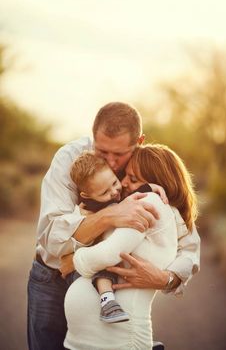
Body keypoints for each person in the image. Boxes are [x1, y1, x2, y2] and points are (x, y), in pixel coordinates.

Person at [27, 102, 200, 350]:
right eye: (102, 151)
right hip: (51, 278)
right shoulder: (70, 159)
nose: (111, 161)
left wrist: (166, 278)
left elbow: (189, 244)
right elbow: (51, 235)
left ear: (139, 141)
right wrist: (111, 216)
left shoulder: (146, 166)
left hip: (108, 282)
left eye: (119, 155)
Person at [64, 143, 199, 350]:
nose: (123, 183)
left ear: (159, 183)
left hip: (119, 340)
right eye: (124, 175)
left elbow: (190, 253)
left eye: (133, 179)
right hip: (94, 340)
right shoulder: (128, 201)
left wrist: (76, 258)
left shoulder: (149, 203)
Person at [70, 150, 168, 324]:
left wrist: (150, 187)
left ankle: (138, 335)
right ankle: (107, 301)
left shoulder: (115, 191)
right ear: (87, 195)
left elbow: (131, 196)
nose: (115, 192)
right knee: (104, 270)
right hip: (99, 250)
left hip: (115, 250)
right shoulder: (90, 204)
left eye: (115, 182)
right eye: (105, 192)